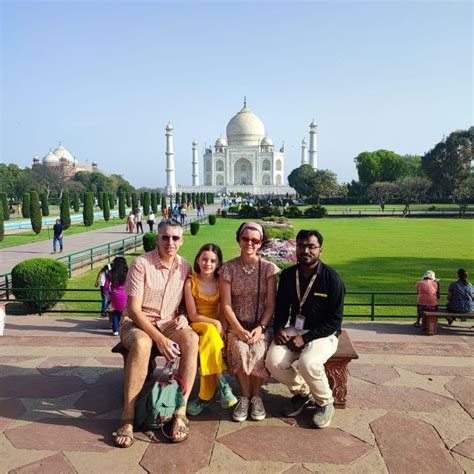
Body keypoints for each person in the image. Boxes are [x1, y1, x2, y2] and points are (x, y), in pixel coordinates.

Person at [113, 219, 198, 448]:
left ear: (182, 241)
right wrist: (159, 339)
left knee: (191, 338)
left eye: (175, 238)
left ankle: (180, 413)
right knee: (143, 344)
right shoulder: (142, 264)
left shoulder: (185, 266)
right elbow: (133, 309)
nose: (170, 242)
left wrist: (184, 316)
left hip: (169, 322)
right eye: (165, 237)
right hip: (138, 322)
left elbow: (185, 303)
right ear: (157, 238)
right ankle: (128, 417)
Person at [265, 229, 345, 429]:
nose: (306, 250)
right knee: (272, 361)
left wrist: (306, 338)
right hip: (296, 328)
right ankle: (303, 392)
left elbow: (335, 321)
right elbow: (282, 308)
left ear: (320, 250)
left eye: (311, 246)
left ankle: (325, 401)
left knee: (308, 363)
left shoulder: (332, 279)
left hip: (324, 333)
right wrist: (279, 329)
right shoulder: (289, 275)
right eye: (301, 246)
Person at [220, 222, 279, 422]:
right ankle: (244, 396)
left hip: (261, 324)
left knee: (259, 350)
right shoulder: (228, 268)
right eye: (245, 238)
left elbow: (271, 304)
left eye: (255, 240)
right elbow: (226, 305)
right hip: (236, 324)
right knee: (240, 349)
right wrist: (237, 329)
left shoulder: (268, 269)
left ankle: (256, 396)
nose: (250, 243)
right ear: (239, 239)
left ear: (261, 242)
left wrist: (260, 328)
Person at [184, 243, 237, 416]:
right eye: (204, 259)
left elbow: (223, 309)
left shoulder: (221, 282)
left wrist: (221, 326)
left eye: (213, 261)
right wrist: (215, 324)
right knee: (208, 331)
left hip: (214, 329)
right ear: (198, 260)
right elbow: (192, 315)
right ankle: (222, 383)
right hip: (197, 325)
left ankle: (205, 398)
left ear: (218, 264)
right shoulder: (190, 282)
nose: (208, 264)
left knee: (210, 341)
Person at [104, 257, 128, 336]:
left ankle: (115, 330)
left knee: (115, 312)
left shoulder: (110, 273)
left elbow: (106, 286)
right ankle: (126, 329)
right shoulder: (128, 272)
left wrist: (108, 295)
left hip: (114, 295)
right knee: (126, 312)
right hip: (126, 295)